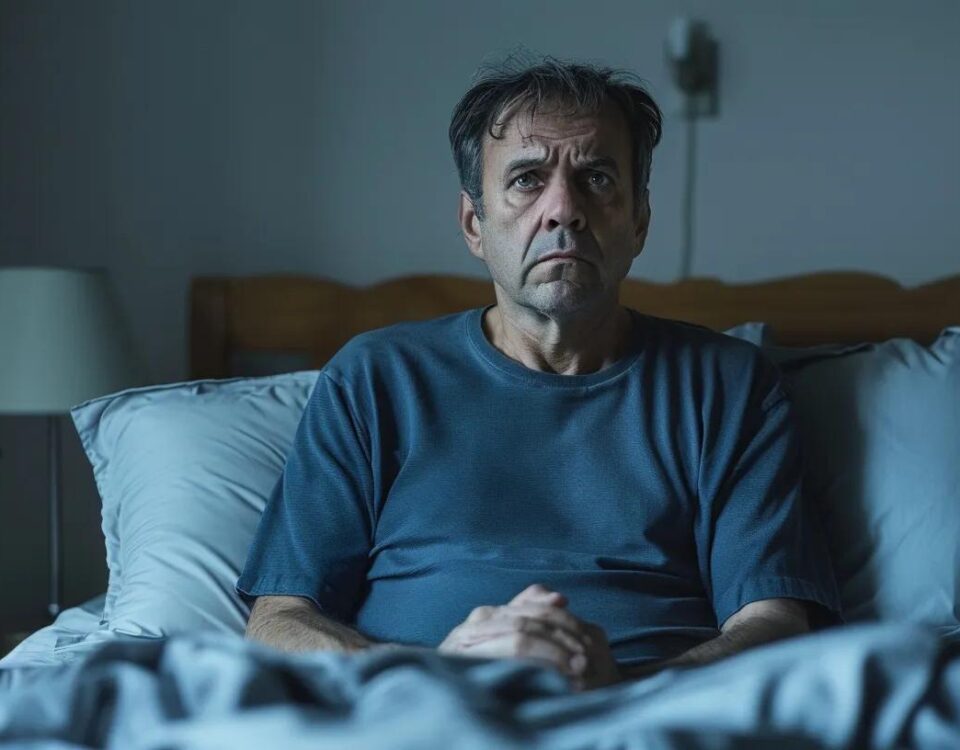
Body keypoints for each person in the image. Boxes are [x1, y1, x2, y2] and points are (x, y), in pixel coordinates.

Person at [237, 56, 840, 691]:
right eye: (527, 179)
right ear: (475, 224)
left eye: (598, 179)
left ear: (638, 220)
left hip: (647, 719)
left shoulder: (729, 385)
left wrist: (616, 692)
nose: (564, 211)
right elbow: (279, 619)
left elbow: (773, 622)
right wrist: (429, 679)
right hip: (415, 717)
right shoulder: (374, 378)